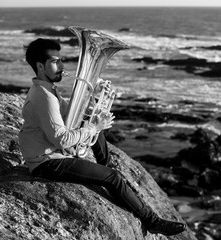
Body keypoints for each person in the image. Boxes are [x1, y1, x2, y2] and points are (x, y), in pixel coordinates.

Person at [19, 38, 186, 236]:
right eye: (56, 61)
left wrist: (95, 98)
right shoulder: (43, 97)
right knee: (113, 177)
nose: (62, 66)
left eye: (61, 60)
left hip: (52, 154)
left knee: (93, 127)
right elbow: (62, 140)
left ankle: (104, 168)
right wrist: (92, 128)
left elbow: (73, 114)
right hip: (46, 162)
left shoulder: (48, 90)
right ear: (40, 66)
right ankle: (151, 221)